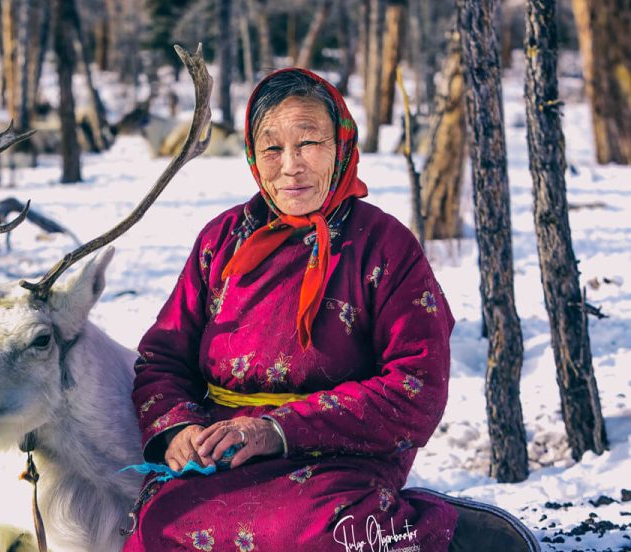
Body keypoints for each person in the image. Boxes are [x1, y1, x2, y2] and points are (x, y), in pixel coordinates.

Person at [122, 68, 497, 551]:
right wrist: (179, 429)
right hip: (220, 456)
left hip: (337, 459)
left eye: (309, 143)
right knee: (160, 529)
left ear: (341, 145)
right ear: (253, 157)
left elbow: (416, 386)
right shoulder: (221, 240)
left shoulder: (384, 246)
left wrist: (276, 429)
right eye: (272, 148)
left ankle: (435, 531)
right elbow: (163, 357)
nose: (290, 166)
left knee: (320, 535)